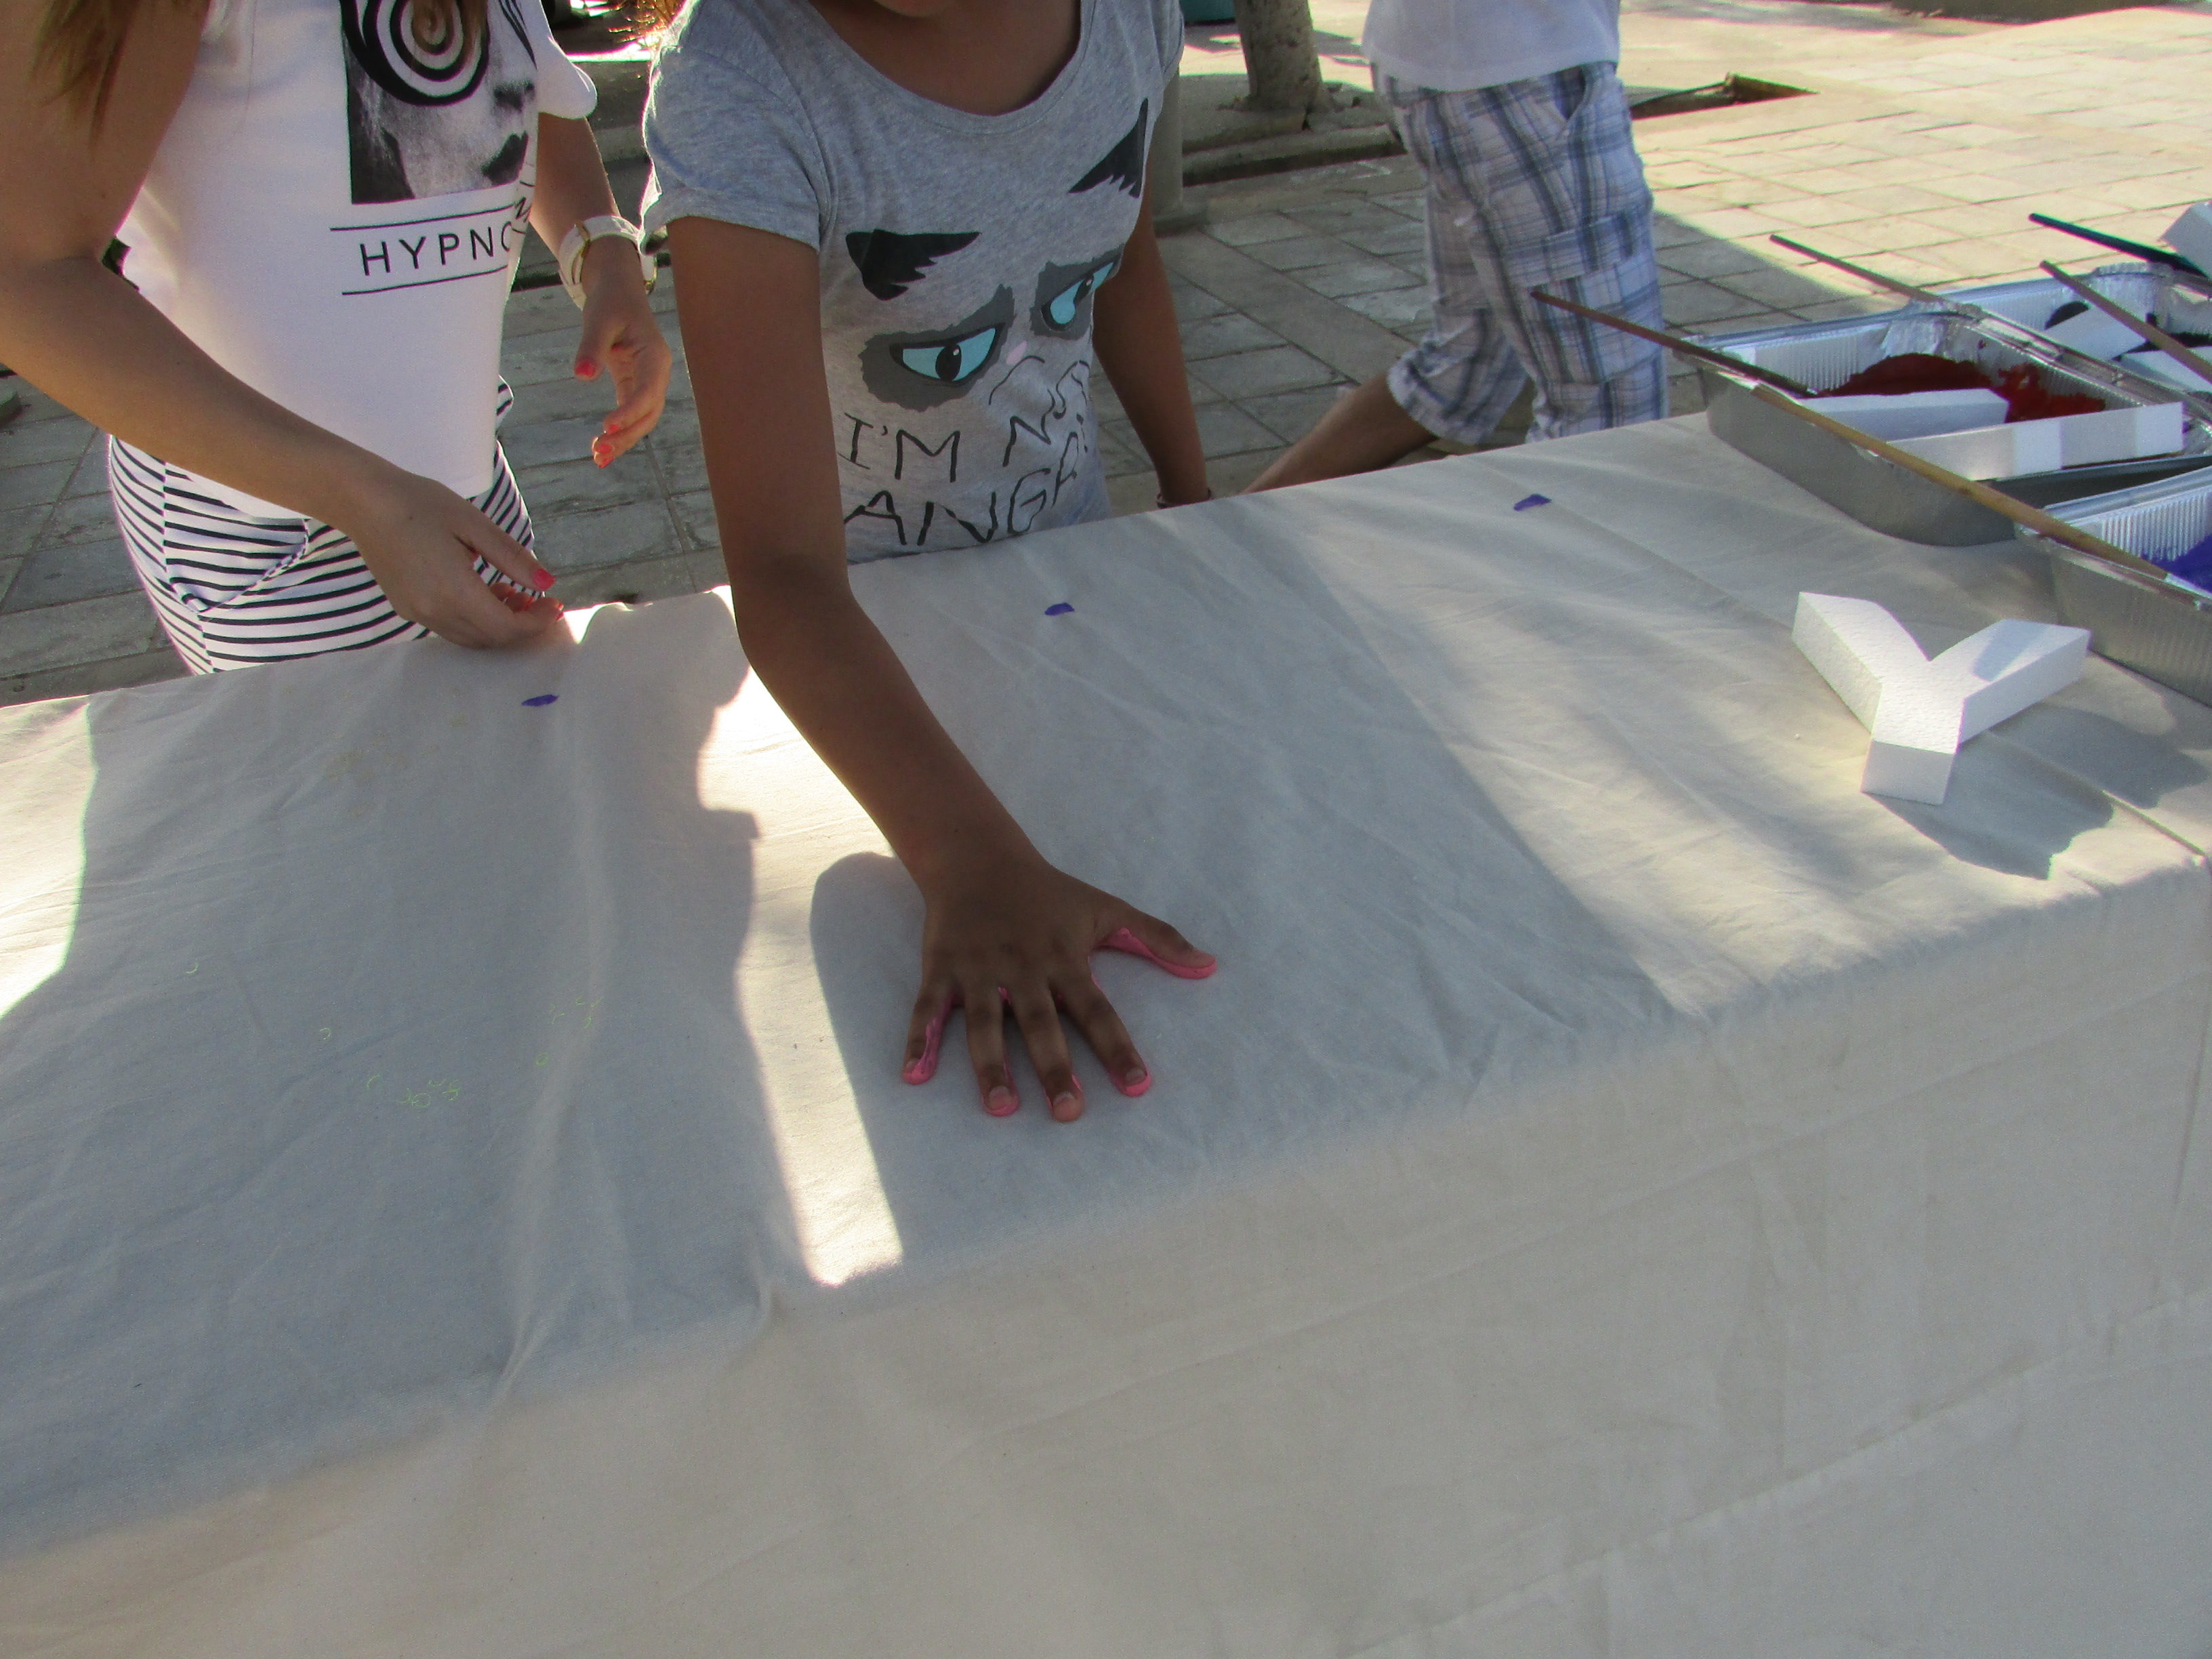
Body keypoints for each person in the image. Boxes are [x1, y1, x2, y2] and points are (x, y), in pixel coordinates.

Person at [640, 0, 1216, 1122]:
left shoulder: (1129, 18)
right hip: (868, 670)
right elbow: (784, 573)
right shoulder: (739, 76)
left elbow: (1121, 252)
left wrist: (1192, 504)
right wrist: (970, 863)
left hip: (1074, 598)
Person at [0, 0, 671, 672]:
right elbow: (24, 275)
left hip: (464, 490)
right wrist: (366, 502)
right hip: (272, 535)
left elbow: (529, 86)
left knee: (497, 728)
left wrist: (601, 248)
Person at [1248, 0, 1666, 490]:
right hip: (1518, 71)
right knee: (1611, 415)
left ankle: (1222, 522)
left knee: (1466, 366)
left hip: (1472, 68)